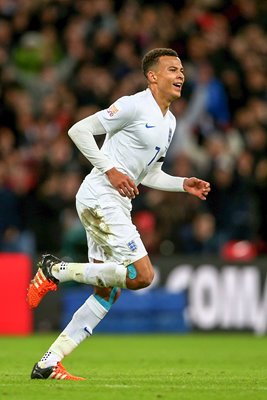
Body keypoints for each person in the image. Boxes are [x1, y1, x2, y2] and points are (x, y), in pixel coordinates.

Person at [27, 48, 211, 380]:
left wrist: (183, 183)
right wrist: (110, 169)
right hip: (101, 196)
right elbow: (79, 131)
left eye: (182, 69)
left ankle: (49, 362)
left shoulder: (169, 123)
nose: (181, 74)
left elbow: (149, 174)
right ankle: (56, 269)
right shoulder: (132, 105)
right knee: (142, 276)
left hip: (113, 202)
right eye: (172, 69)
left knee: (107, 290)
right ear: (153, 76)